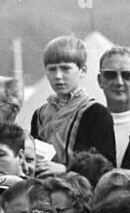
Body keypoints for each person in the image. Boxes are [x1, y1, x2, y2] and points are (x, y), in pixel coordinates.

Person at [31, 35, 117, 170]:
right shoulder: (39, 114)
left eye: (65, 68)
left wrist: (64, 169)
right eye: (52, 69)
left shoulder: (96, 113)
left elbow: (107, 167)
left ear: (82, 71)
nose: (58, 76)